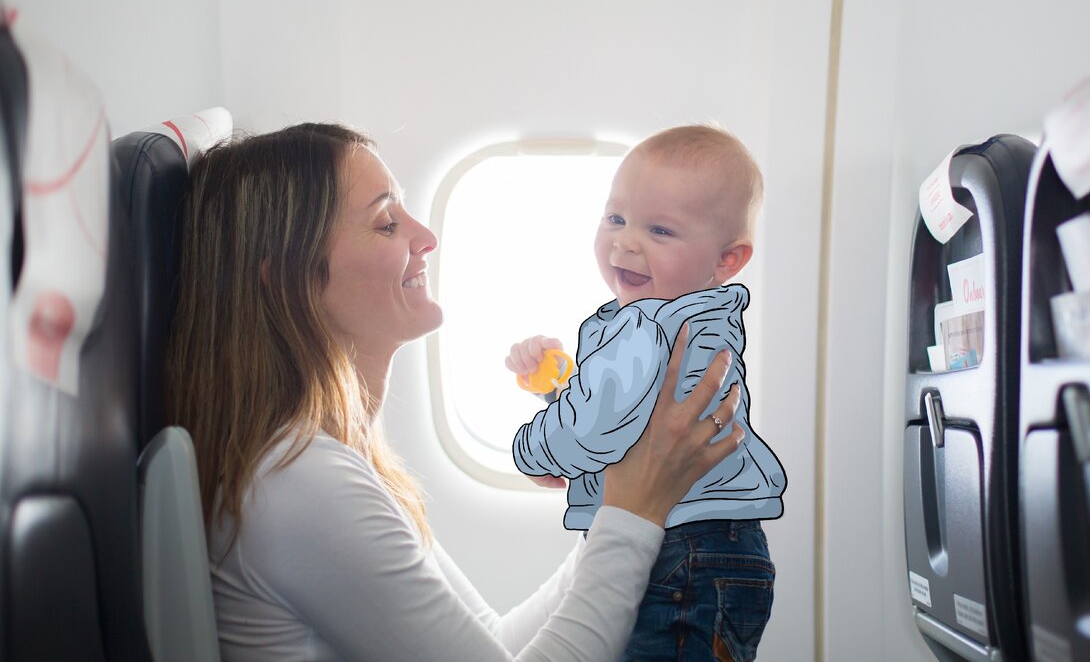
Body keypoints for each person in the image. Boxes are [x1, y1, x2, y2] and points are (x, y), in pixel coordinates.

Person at [164, 122, 746, 662]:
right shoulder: (298, 482)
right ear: (287, 274)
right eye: (386, 222)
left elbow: (494, 642)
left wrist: (624, 497)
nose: (425, 236)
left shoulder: (335, 459)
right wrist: (632, 510)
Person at [506, 124, 788, 662]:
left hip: (682, 554)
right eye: (616, 218)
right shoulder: (692, 320)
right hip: (717, 550)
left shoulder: (646, 326)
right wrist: (560, 388)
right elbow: (629, 421)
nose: (625, 241)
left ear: (726, 260)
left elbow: (596, 427)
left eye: (659, 230)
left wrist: (533, 449)